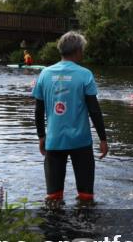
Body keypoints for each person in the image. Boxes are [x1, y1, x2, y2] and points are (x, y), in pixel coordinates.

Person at [32, 31, 109, 202]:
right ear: (78, 51)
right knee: (86, 197)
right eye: (82, 50)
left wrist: (41, 136)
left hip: (54, 141)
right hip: (81, 142)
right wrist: (103, 139)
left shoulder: (45, 74)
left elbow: (38, 110)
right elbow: (94, 110)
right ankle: (84, 216)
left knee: (53, 198)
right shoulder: (85, 74)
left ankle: (54, 218)